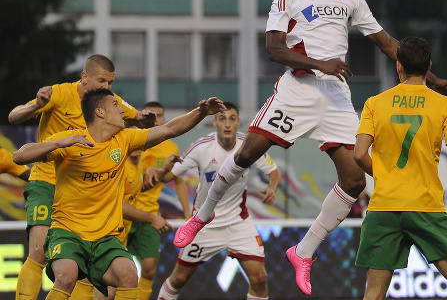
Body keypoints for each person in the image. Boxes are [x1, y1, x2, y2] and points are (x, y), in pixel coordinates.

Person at [173, 0, 447, 296]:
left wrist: (431, 79)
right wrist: (320, 64)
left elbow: (386, 42)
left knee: (355, 180)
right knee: (245, 155)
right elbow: (274, 48)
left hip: (335, 98)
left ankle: (303, 251)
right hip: (297, 91)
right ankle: (202, 215)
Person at [13, 88, 225, 300]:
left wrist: (200, 112)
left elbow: (170, 129)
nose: (123, 111)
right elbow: (19, 156)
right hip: (68, 232)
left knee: (129, 274)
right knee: (67, 275)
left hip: (104, 238)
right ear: (100, 112)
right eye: (116, 106)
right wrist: (60, 143)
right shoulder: (71, 140)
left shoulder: (124, 139)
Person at [8, 54, 156, 300]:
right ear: (84, 77)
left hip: (81, 190)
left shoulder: (110, 102)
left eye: (110, 83)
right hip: (47, 179)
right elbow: (14, 116)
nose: (107, 88)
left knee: (83, 266)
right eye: (102, 81)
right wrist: (35, 105)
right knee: (39, 252)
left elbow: (139, 118)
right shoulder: (58, 94)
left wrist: (145, 119)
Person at [353, 36, 447, 300]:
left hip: (383, 208)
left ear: (398, 66)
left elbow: (358, 154)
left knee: (374, 294)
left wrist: (385, 176)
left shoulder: (374, 103)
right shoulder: (445, 105)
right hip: (425, 206)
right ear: (429, 67)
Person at [143, 102, 280, 300]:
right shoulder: (201, 147)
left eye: (232, 119)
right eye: (222, 119)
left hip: (237, 222)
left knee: (259, 278)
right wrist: (160, 170)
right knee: (179, 279)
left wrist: (272, 187)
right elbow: (167, 177)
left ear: (238, 122)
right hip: (203, 223)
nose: (227, 124)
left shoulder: (248, 145)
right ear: (214, 122)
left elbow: (274, 171)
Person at [126, 101, 190, 300]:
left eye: (160, 115)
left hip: (150, 213)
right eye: (151, 115)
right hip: (123, 213)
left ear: (164, 119)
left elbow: (177, 180)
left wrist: (189, 217)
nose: (156, 119)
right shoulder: (133, 141)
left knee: (149, 270)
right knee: (114, 271)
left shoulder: (170, 147)